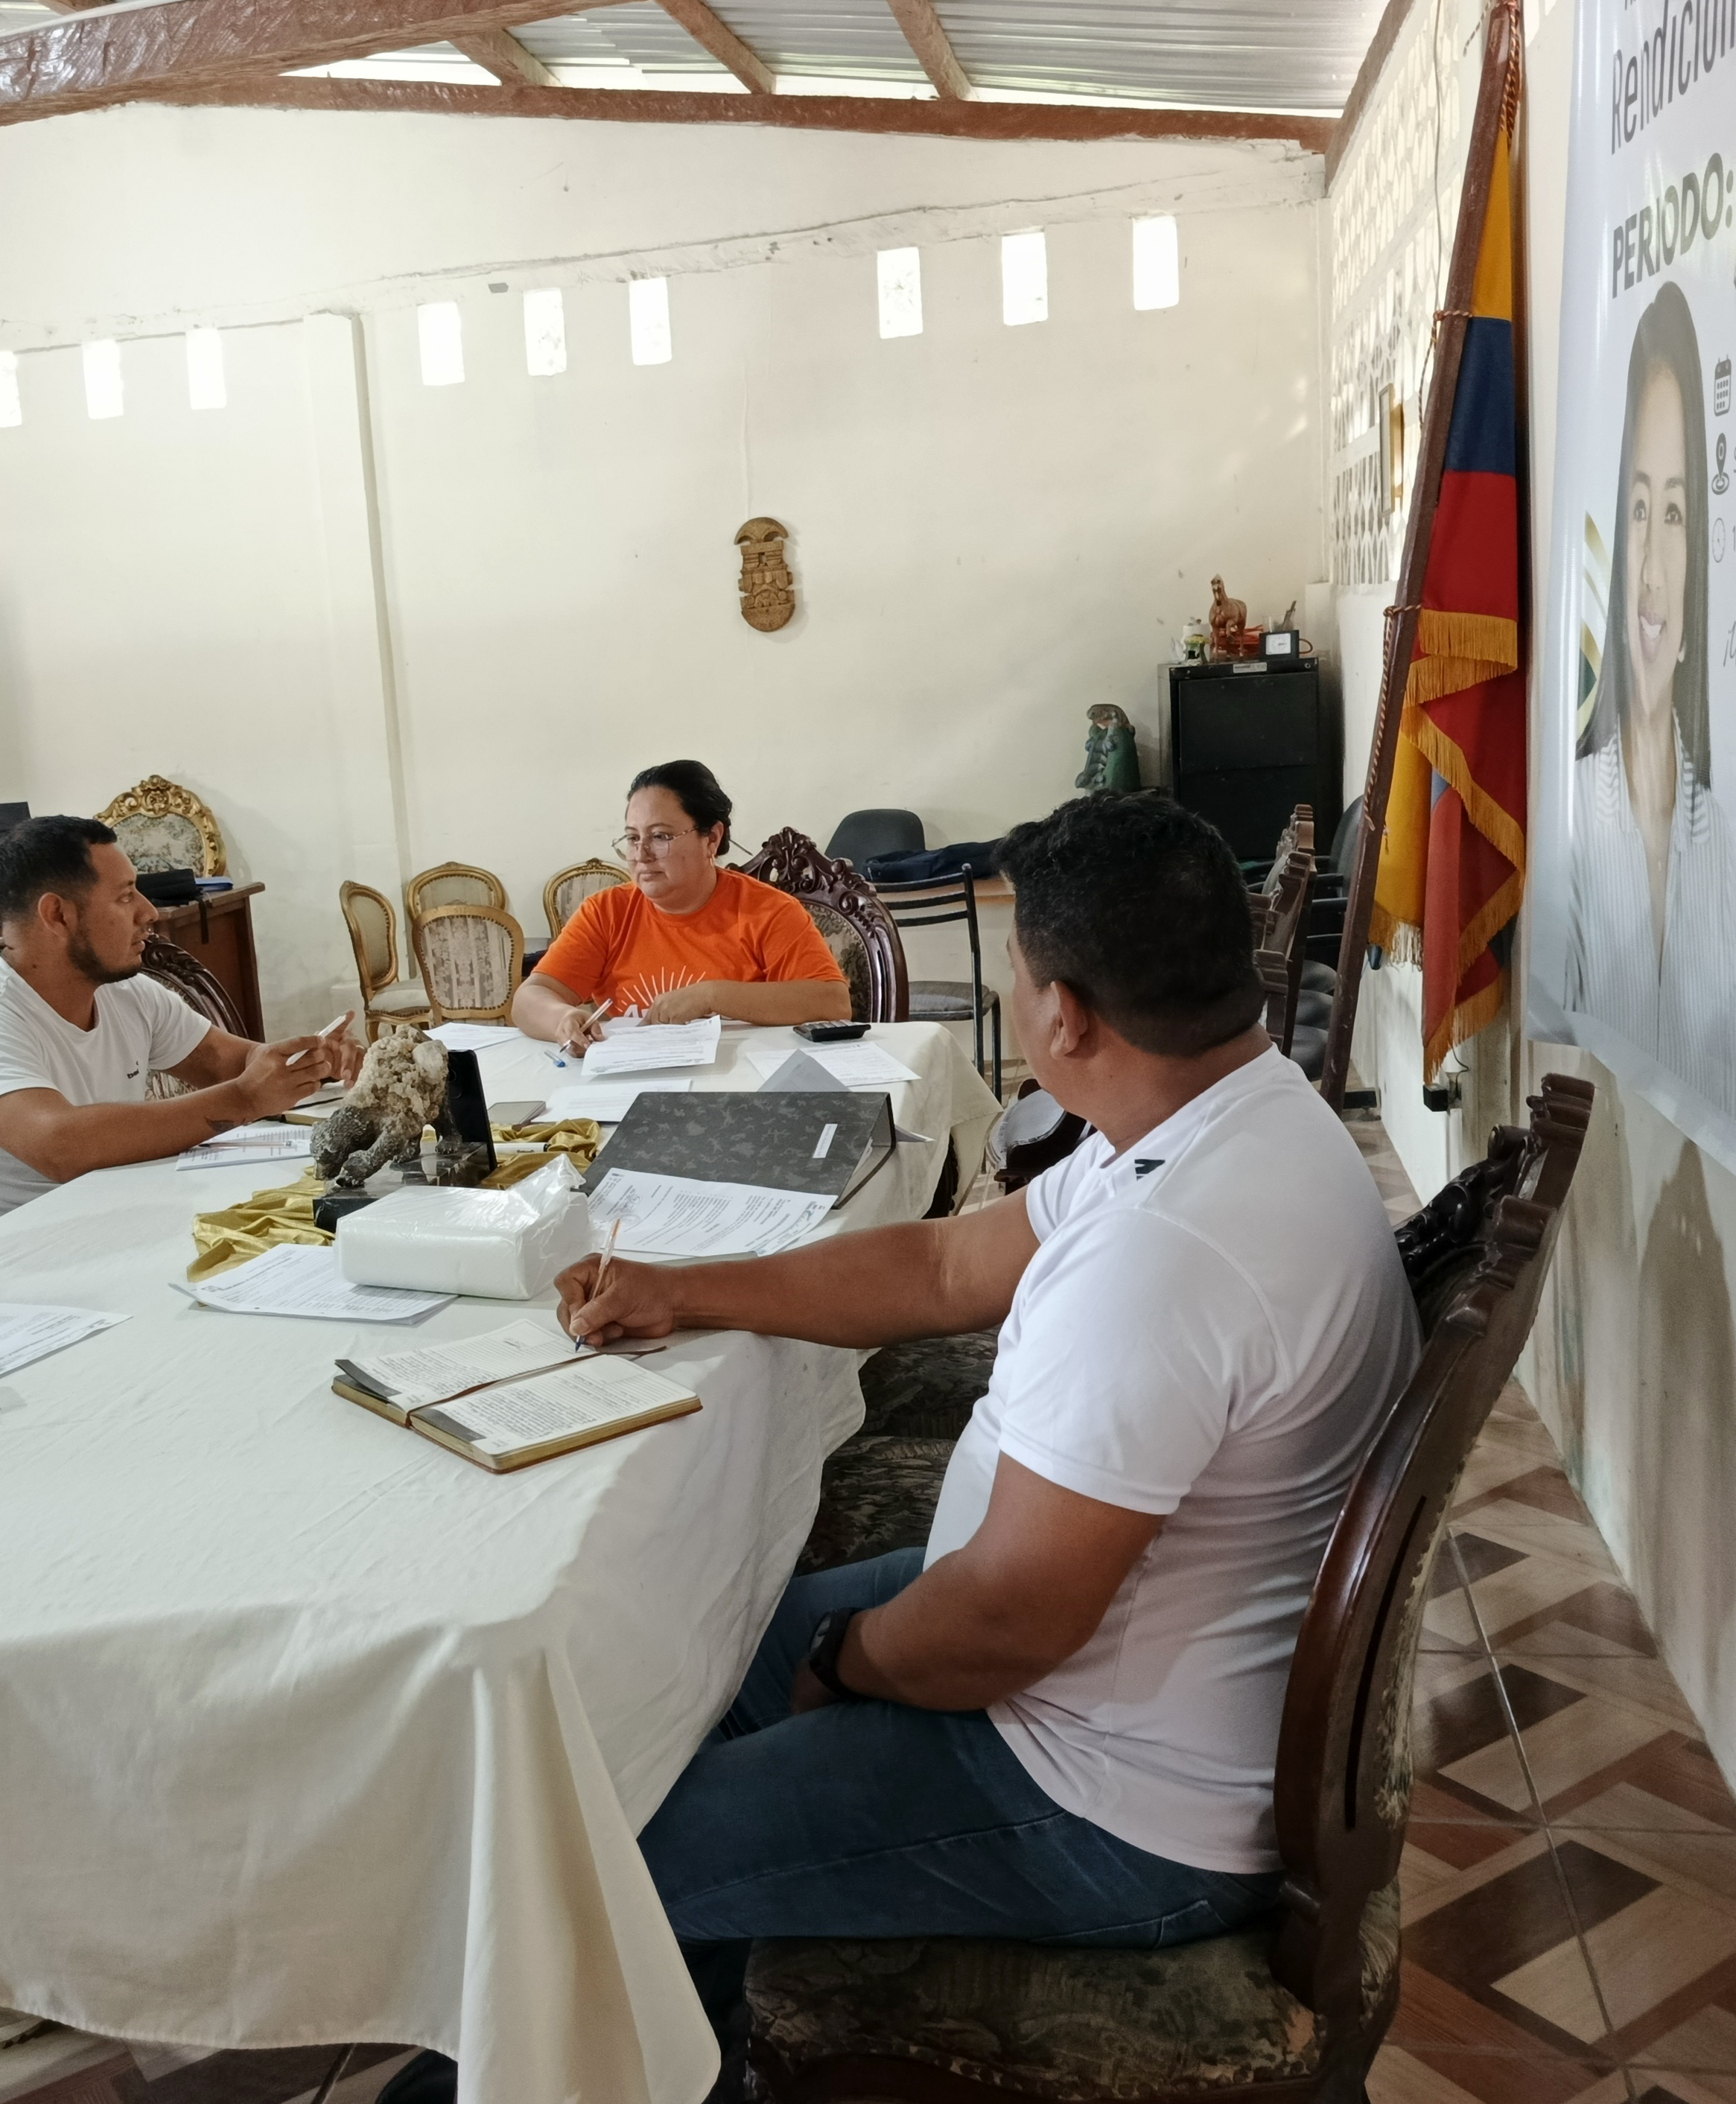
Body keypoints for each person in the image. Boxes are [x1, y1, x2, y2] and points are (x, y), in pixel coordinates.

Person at [384, 794, 1420, 2104]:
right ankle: (681, 2041)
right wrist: (687, 1289)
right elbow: (943, 1266)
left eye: (1022, 976)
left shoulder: (1167, 1257)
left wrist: (845, 1660)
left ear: (1063, 1015)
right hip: (1126, 1680)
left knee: (602, 1873)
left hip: (1108, 1799)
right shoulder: (1217, 1112)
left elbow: (1006, 1621)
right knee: (687, 1638)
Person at [0, 816, 356, 1266]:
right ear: (57, 915)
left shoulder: (127, 993)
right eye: (126, 896)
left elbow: (229, 1062)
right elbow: (60, 1146)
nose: (149, 912)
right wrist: (244, 1098)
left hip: (95, 1236)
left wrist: (311, 1060)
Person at [1567, 281, 1736, 1123]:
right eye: (1637, 508)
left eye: (1673, 514)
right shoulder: (1574, 818)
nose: (1649, 565)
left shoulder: (1722, 854)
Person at [509, 762, 849, 1053]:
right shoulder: (607, 912)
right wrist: (562, 1019)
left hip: (738, 1085)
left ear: (712, 838)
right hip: (630, 1084)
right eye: (632, 838)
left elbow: (833, 1003)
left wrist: (713, 996)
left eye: (660, 837)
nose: (641, 855)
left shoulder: (767, 911)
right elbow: (530, 998)